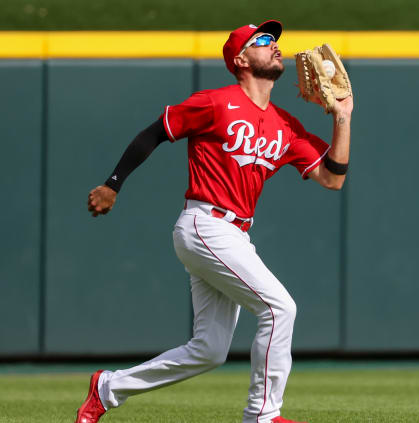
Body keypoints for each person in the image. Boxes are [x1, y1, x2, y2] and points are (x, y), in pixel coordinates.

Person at [76, 20, 353, 423]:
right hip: (205, 224)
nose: (275, 46)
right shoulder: (215, 103)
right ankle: (263, 415)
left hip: (235, 234)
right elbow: (154, 133)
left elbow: (333, 177)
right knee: (280, 309)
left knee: (209, 350)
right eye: (263, 41)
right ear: (241, 59)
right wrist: (112, 184)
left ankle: (107, 388)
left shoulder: (285, 124)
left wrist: (343, 116)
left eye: (276, 41)